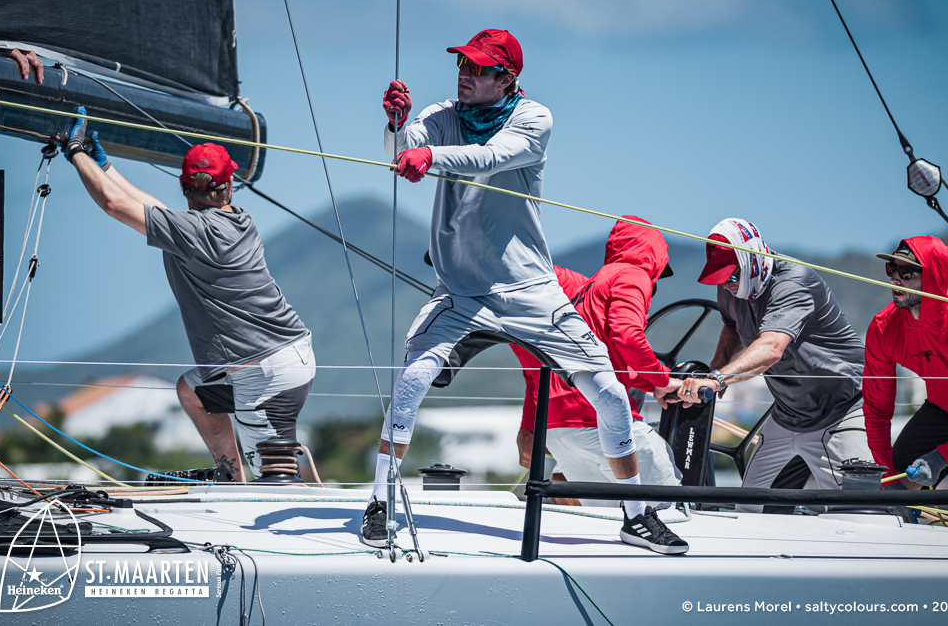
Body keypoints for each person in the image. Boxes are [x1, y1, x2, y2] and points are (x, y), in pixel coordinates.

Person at [363, 30, 687, 555]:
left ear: (506, 78)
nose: (465, 74)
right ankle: (380, 504)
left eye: (479, 68)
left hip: (530, 287)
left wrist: (430, 159)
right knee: (413, 381)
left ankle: (636, 515)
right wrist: (397, 126)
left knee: (607, 392)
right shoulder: (444, 113)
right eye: (462, 64)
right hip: (462, 288)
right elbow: (402, 152)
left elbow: (492, 158)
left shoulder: (534, 119)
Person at [63, 108, 316, 482]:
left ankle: (260, 499)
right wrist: (106, 167)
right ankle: (230, 476)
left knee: (275, 484)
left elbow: (117, 205)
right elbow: (156, 212)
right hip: (284, 356)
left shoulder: (195, 232)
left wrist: (75, 152)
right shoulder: (237, 220)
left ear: (184, 188)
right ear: (229, 187)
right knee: (193, 389)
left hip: (265, 371)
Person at [665, 218, 872, 512]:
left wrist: (718, 380)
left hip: (842, 411)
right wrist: (713, 371)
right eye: (721, 279)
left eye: (732, 276)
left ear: (753, 260)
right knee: (748, 511)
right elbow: (732, 327)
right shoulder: (729, 288)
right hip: (788, 415)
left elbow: (771, 348)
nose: (728, 285)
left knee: (858, 515)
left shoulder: (794, 282)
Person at [514, 218, 682, 508]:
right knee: (670, 511)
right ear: (655, 256)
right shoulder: (632, 274)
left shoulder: (582, 290)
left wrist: (649, 383)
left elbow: (601, 357)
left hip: (558, 431)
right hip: (600, 421)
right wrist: (664, 380)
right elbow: (627, 337)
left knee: (606, 526)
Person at [864, 237, 948, 489]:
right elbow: (876, 407)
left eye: (905, 272)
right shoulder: (883, 328)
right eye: (891, 269)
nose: (895, 278)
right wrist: (885, 473)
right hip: (943, 411)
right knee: (890, 489)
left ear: (933, 277)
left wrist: (942, 458)